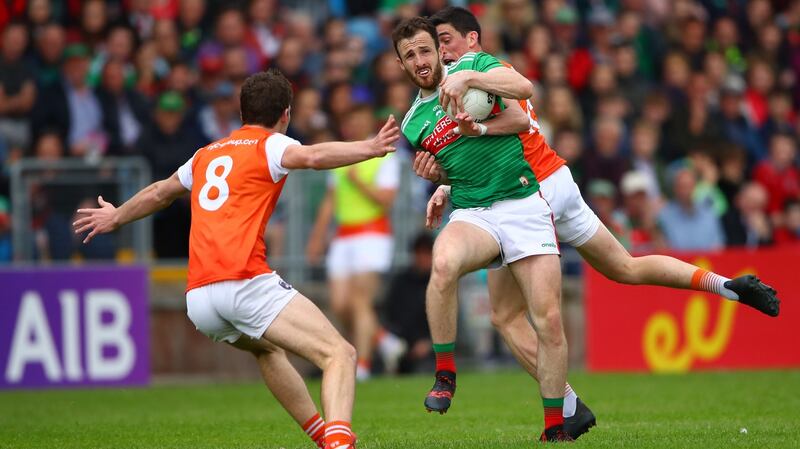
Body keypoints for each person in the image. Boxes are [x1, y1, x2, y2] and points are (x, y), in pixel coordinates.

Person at [415, 4, 780, 438]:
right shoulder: (477, 80)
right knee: (626, 266)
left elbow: (514, 113)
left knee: (507, 317)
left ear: (472, 39)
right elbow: (485, 149)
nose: (440, 54)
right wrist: (449, 183)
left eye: (446, 42)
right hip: (557, 179)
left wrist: (469, 83)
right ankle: (728, 286)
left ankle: (565, 407)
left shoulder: (482, 69)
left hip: (530, 192)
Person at [74, 69, 401, 449]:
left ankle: (322, 438)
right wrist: (370, 147)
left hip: (199, 298)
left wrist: (116, 215)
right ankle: (341, 442)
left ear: (241, 112)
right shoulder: (271, 144)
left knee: (267, 349)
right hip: (243, 281)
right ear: (286, 114)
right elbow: (312, 156)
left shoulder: (205, 154)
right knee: (339, 354)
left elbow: (160, 192)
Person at [393, 17, 572, 442]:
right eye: (409, 56)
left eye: (424, 50)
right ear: (401, 64)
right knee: (443, 264)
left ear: (439, 50)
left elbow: (523, 110)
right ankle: (445, 373)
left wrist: (476, 107)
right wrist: (434, 175)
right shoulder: (413, 123)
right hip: (475, 212)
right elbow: (446, 161)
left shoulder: (472, 70)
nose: (419, 60)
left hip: (524, 202)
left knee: (547, 321)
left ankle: (555, 427)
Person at [306, 104, 405, 381]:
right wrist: (316, 237)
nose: (355, 124)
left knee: (361, 300)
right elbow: (330, 199)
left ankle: (362, 365)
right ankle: (384, 340)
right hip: (344, 236)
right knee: (340, 304)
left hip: (373, 234)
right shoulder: (342, 153)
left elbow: (386, 200)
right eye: (351, 119)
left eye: (360, 118)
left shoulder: (385, 155)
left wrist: (358, 182)